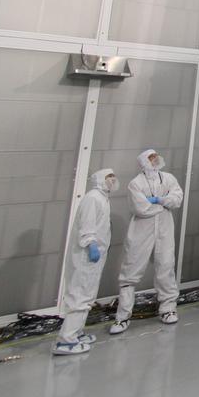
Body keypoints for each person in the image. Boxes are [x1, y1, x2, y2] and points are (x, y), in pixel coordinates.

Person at [109, 149, 183, 334]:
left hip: (165, 229)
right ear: (144, 162)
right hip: (142, 230)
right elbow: (141, 208)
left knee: (166, 266)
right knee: (131, 270)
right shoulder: (136, 183)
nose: (155, 159)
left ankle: (168, 309)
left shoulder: (168, 178)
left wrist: (158, 200)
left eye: (156, 156)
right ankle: (122, 317)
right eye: (151, 157)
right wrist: (163, 204)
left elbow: (177, 199)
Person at [53, 169, 117, 355]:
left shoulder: (103, 198)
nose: (113, 180)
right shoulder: (93, 198)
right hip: (86, 255)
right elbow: (87, 225)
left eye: (113, 177)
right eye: (109, 177)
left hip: (96, 256)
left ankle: (76, 332)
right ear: (99, 180)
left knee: (87, 295)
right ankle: (66, 340)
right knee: (80, 295)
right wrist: (91, 244)